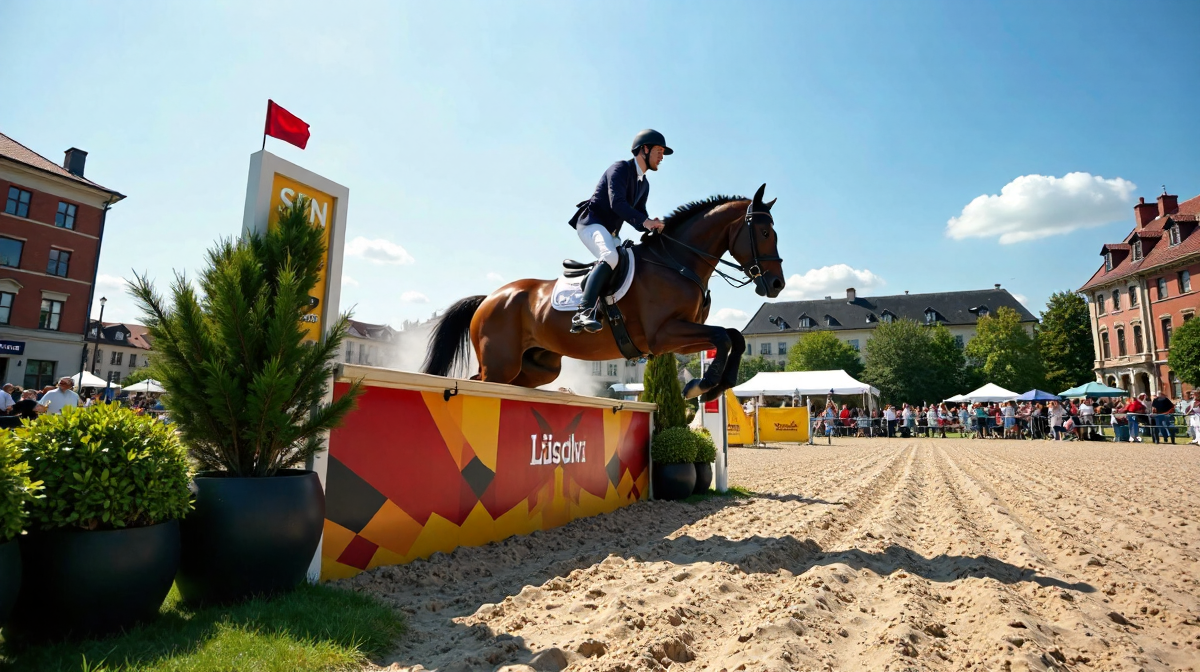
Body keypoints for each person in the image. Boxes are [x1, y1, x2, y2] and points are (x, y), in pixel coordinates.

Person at [567, 129, 670, 333]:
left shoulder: (644, 184)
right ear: (644, 149)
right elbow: (618, 204)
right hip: (591, 223)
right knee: (610, 255)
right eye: (659, 150)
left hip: (611, 232)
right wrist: (645, 221)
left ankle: (602, 302)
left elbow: (640, 215)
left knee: (625, 261)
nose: (662, 156)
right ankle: (583, 312)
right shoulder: (620, 168)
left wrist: (652, 224)